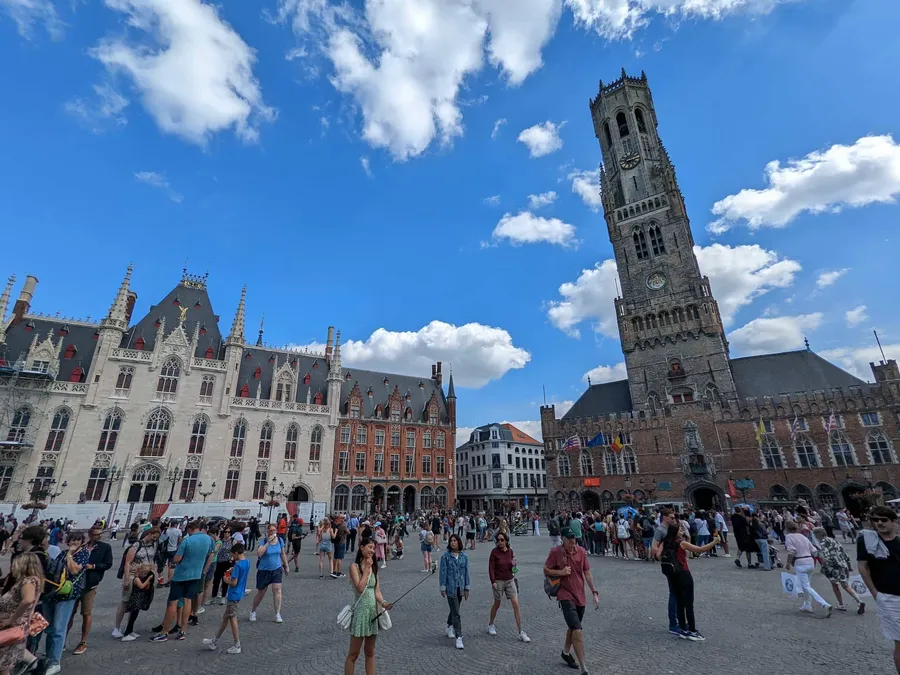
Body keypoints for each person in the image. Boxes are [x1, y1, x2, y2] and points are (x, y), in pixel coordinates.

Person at [544, 527, 599, 675]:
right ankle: (584, 668)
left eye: (573, 538)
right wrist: (560, 572)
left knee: (573, 628)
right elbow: (546, 570)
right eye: (569, 539)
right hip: (564, 594)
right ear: (563, 539)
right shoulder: (555, 552)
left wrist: (594, 592)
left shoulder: (581, 551)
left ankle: (565, 653)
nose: (572, 541)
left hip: (579, 595)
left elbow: (587, 572)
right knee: (577, 630)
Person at [149, 521, 211, 642]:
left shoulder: (187, 540)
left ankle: (164, 632)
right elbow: (209, 553)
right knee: (188, 601)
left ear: (190, 529)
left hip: (182, 575)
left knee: (173, 602)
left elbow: (177, 558)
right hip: (196, 574)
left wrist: (173, 561)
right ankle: (183, 631)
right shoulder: (207, 539)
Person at [857, 506, 900, 673]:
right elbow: (863, 568)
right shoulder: (867, 541)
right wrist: (874, 592)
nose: (879, 523)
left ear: (893, 522)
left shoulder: (898, 541)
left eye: (884, 520)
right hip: (888, 597)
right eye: (875, 520)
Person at [660, 523, 719, 640]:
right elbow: (700, 549)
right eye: (680, 529)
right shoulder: (681, 543)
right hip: (683, 573)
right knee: (688, 604)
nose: (682, 531)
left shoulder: (666, 542)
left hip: (673, 574)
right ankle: (692, 630)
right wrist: (714, 542)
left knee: (680, 603)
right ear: (676, 531)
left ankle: (683, 629)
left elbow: (658, 554)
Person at [41, 532, 89, 675]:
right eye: (73, 539)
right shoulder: (61, 553)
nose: (75, 542)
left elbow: (74, 570)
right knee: (49, 628)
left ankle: (55, 662)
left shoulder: (83, 554)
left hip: (68, 594)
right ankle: (49, 655)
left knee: (59, 628)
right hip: (54, 593)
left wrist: (70, 555)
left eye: (78, 540)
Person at [344, 537, 391, 675]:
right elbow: (360, 588)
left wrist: (384, 603)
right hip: (360, 613)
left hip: (372, 613)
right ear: (361, 547)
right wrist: (366, 570)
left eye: (373, 548)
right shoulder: (354, 567)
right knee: (353, 654)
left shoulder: (374, 568)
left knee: (370, 652)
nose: (372, 550)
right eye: (370, 547)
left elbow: (376, 591)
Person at [68, 525, 113, 655]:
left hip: (90, 585)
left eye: (100, 534)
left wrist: (93, 566)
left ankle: (83, 642)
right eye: (95, 534)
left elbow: (108, 564)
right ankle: (63, 639)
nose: (98, 537)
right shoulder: (82, 546)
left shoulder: (105, 547)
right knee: (70, 613)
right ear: (89, 534)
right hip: (75, 584)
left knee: (86, 613)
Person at [0, 553, 43, 675]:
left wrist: (11, 619)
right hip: (16, 626)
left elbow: (28, 600)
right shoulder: (34, 580)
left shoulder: (28, 581)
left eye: (15, 564)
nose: (13, 567)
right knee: (4, 665)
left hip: (12, 627)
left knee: (3, 664)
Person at [203, 542, 249, 655]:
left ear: (237, 553)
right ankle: (214, 641)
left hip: (234, 594)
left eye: (233, 554)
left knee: (232, 618)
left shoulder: (238, 566)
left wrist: (226, 580)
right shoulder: (247, 562)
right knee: (226, 618)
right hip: (239, 593)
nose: (232, 557)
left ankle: (237, 644)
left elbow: (234, 583)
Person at [113, 527, 159, 638]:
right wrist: (126, 580)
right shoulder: (136, 546)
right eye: (154, 536)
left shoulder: (152, 545)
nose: (155, 539)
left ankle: (129, 628)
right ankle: (117, 628)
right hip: (132, 575)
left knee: (135, 603)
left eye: (156, 538)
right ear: (149, 533)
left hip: (144, 575)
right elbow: (127, 563)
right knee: (125, 601)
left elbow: (152, 560)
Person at [487, 532, 529, 642]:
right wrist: (493, 581)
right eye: (498, 540)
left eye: (502, 540)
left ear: (506, 541)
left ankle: (521, 631)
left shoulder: (510, 551)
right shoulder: (494, 552)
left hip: (510, 579)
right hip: (498, 580)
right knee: (497, 603)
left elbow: (513, 566)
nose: (500, 542)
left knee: (515, 603)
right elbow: (491, 567)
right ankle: (491, 624)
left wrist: (514, 566)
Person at [784, 520, 832, 617]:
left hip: (800, 562)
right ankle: (807, 605)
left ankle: (824, 603)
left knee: (806, 586)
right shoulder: (803, 536)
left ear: (787, 529)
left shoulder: (789, 537)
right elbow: (814, 550)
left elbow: (791, 551)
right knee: (807, 585)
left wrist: (788, 563)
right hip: (810, 561)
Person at [812, 526, 865, 614]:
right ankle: (859, 600)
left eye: (815, 534)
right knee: (845, 585)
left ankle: (841, 604)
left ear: (819, 534)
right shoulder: (834, 540)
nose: (815, 536)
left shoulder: (822, 542)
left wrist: (824, 564)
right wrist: (849, 565)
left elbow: (826, 555)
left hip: (833, 567)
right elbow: (843, 552)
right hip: (842, 564)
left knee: (835, 585)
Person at [249, 523, 288, 623]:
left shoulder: (280, 540)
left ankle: (277, 614)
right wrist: (268, 543)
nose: (273, 532)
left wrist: (286, 565)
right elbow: (259, 553)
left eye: (274, 530)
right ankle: (253, 611)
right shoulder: (264, 541)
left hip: (276, 569)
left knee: (277, 590)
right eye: (271, 530)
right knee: (261, 592)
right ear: (268, 531)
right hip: (264, 570)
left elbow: (282, 553)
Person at [440, 534, 470, 650]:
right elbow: (443, 572)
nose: (453, 543)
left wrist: (467, 588)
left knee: (454, 609)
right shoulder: (446, 557)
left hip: (460, 587)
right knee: (456, 613)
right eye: (451, 541)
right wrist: (443, 587)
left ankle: (449, 625)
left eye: (455, 540)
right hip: (450, 588)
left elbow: (466, 572)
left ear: (458, 542)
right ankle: (459, 636)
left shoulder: (464, 556)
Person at [120, 561, 155, 642]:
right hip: (135, 600)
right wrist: (148, 579)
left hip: (138, 600)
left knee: (134, 616)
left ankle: (130, 631)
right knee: (132, 617)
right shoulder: (136, 579)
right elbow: (142, 586)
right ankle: (126, 634)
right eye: (144, 573)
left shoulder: (140, 578)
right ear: (140, 571)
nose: (145, 575)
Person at [159, 521, 181, 586]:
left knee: (161, 566)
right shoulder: (178, 531)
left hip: (165, 550)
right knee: (171, 566)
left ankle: (160, 582)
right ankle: (168, 581)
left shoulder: (165, 531)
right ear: (176, 524)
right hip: (173, 550)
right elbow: (180, 541)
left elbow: (161, 540)